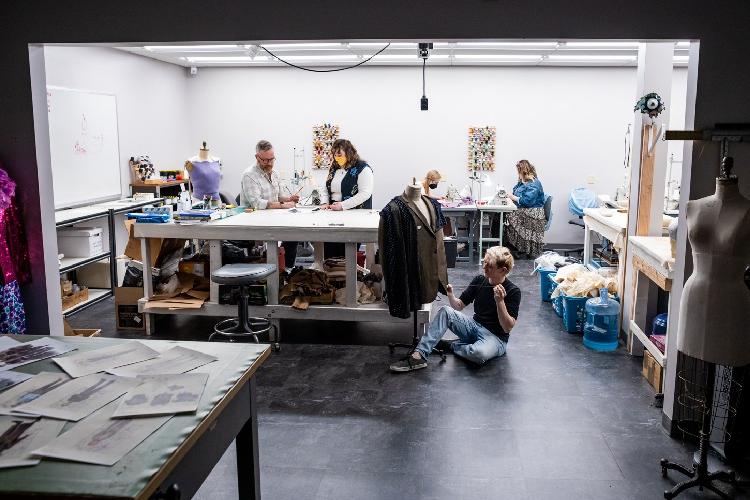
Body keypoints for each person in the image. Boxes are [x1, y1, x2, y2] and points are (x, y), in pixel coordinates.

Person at [390, 246, 521, 372]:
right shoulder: (480, 280)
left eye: (490, 266)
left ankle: (452, 345)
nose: (484, 267)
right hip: (474, 326)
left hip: (495, 338)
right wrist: (450, 295)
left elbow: (507, 327)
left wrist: (500, 301)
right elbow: (458, 306)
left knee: (478, 354)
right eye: (484, 262)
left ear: (503, 270)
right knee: (445, 311)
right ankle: (419, 355)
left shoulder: (513, 291)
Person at [240, 140, 299, 269]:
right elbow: (256, 203)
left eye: (272, 159)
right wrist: (283, 205)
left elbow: (279, 196)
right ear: (257, 157)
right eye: (265, 160)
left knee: (294, 235)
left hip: (273, 217)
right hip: (255, 221)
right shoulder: (249, 175)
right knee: (282, 240)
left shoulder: (275, 173)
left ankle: (287, 270)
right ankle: (275, 270)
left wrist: (289, 199)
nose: (269, 163)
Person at [322, 139, 374, 257]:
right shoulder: (334, 167)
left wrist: (342, 205)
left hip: (354, 214)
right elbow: (326, 188)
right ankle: (330, 272)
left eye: (339, 155)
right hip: (333, 213)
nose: (336, 158)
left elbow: (365, 193)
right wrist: (325, 202)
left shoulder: (363, 169)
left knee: (346, 252)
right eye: (334, 154)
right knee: (329, 249)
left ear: (349, 153)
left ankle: (346, 273)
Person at [504, 159, 547, 258]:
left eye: (519, 172)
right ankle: (513, 247)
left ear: (522, 171)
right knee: (502, 216)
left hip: (533, 212)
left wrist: (512, 197)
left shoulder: (534, 183)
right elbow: (515, 191)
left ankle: (515, 248)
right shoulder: (524, 182)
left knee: (506, 216)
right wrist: (521, 181)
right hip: (526, 210)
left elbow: (527, 202)